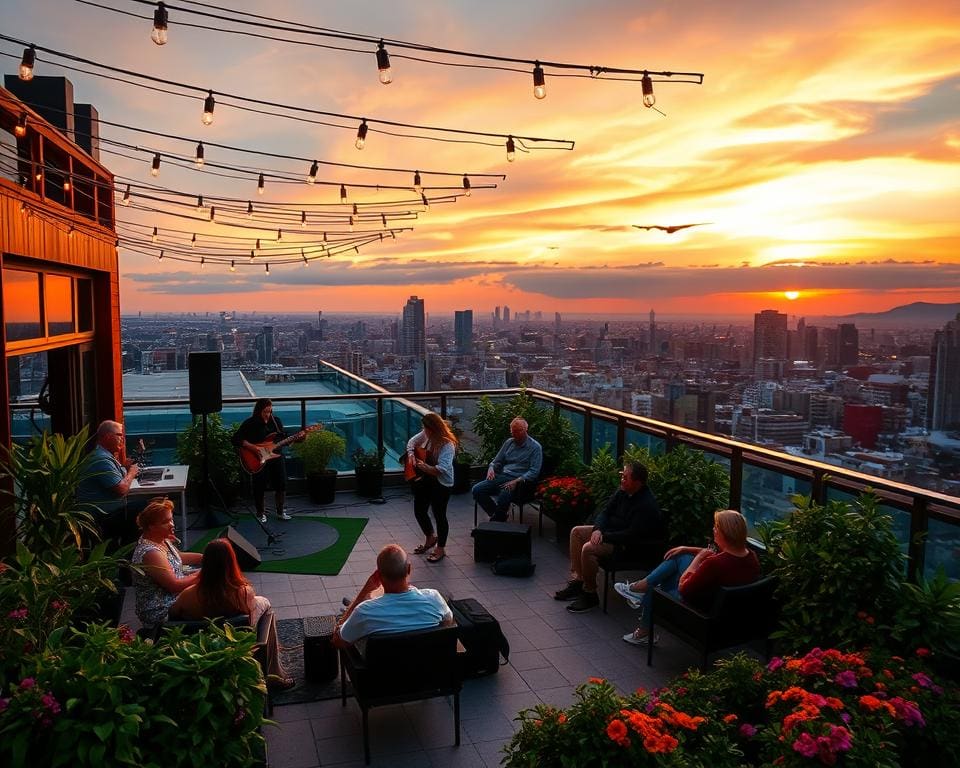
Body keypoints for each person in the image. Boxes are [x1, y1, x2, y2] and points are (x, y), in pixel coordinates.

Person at [620, 509, 761, 646]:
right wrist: (686, 548)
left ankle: (643, 626)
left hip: (700, 612)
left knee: (655, 590)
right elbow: (718, 555)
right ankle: (640, 588)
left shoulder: (714, 564)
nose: (713, 529)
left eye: (716, 527)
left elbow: (683, 589)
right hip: (727, 611)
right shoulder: (751, 556)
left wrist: (698, 558)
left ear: (724, 533)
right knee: (681, 557)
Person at [169, 538, 294, 690]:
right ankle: (273, 674)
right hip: (236, 643)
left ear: (205, 565)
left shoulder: (188, 596)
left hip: (201, 652)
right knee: (265, 606)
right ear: (232, 562)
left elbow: (173, 616)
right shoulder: (243, 593)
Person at [554, 460, 664, 613]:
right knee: (577, 532)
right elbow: (605, 511)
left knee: (588, 548)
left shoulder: (646, 506)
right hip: (609, 533)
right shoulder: (622, 491)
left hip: (625, 545)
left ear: (638, 482)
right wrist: (598, 530)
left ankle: (590, 593)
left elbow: (631, 535)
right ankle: (579, 581)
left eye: (626, 478)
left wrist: (604, 537)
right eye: (622, 476)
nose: (622, 480)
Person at [332, 544, 453, 652]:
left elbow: (338, 641)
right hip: (430, 673)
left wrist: (360, 598)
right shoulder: (434, 598)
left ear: (378, 575)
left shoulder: (364, 612)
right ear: (409, 569)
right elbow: (448, 622)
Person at [131, 497, 203, 634]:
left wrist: (205, 557)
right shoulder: (151, 553)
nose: (172, 524)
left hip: (174, 598)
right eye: (166, 522)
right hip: (160, 609)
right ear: (151, 526)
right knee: (212, 595)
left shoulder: (160, 539)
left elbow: (178, 557)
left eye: (171, 519)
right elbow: (174, 585)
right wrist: (203, 574)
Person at [232, 398, 299, 523]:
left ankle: (280, 511)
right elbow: (236, 439)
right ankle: (260, 513)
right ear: (258, 411)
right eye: (265, 412)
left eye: (269, 411)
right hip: (258, 458)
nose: (267, 414)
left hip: (275, 456)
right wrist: (253, 448)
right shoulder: (250, 423)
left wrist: (293, 439)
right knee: (259, 485)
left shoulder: (276, 421)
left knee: (281, 483)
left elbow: (281, 439)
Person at [78, 419, 141, 544]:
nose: (123, 439)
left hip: (109, 512)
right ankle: (134, 553)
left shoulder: (104, 456)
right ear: (107, 436)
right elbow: (121, 489)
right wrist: (131, 473)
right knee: (145, 509)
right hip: (103, 517)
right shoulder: (101, 459)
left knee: (149, 506)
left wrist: (125, 468)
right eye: (120, 435)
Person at [405, 413, 457, 563]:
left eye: (426, 428)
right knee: (419, 510)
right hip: (427, 479)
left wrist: (424, 466)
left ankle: (440, 548)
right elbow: (411, 442)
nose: (424, 431)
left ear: (433, 429)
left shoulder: (447, 444)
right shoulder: (426, 434)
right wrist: (411, 454)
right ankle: (430, 537)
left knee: (439, 514)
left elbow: (442, 468)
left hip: (441, 482)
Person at [471, 417, 543, 522]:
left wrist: (516, 481)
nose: (515, 435)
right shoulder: (509, 442)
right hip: (503, 476)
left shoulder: (535, 447)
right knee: (477, 490)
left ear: (525, 430)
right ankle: (498, 515)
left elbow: (534, 471)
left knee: (504, 495)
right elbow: (496, 461)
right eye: (513, 432)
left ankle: (497, 521)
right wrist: (491, 468)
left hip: (519, 481)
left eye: (517, 431)